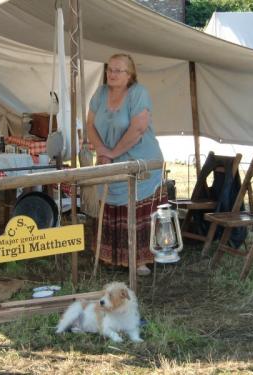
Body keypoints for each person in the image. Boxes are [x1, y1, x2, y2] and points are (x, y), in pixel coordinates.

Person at [87, 53, 166, 276]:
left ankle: (139, 258)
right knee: (110, 203)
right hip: (108, 158)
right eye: (109, 69)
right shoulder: (100, 93)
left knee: (135, 208)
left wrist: (112, 153)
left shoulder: (138, 93)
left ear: (129, 74)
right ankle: (111, 256)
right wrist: (102, 151)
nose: (111, 74)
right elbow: (90, 124)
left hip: (140, 161)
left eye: (117, 70)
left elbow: (138, 129)